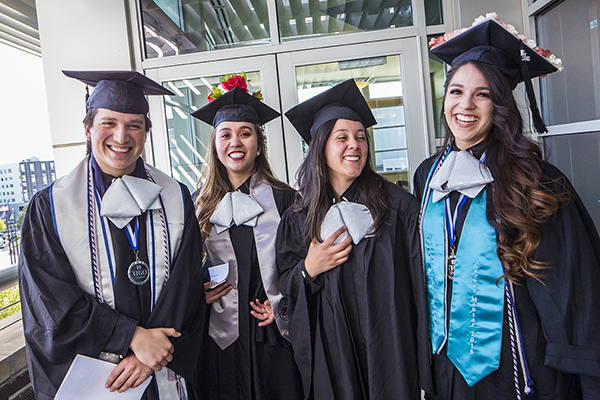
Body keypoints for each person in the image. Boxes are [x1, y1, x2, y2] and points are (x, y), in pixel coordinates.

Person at [414, 14, 600, 399]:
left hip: (517, 363)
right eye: (455, 91)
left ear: (499, 104)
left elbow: (572, 288)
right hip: (445, 364)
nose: (465, 105)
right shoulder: (428, 176)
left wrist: (584, 374)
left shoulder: (535, 180)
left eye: (482, 94)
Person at [19, 70, 206, 400]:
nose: (122, 137)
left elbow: (186, 285)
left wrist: (149, 356)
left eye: (134, 124)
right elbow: (50, 301)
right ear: (88, 129)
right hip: (98, 378)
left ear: (146, 133)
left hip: (161, 369)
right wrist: (131, 337)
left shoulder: (176, 197)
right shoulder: (51, 206)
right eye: (109, 123)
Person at [278, 79, 433, 399]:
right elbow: (286, 289)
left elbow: (422, 288)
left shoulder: (398, 208)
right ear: (320, 146)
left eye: (361, 137)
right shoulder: (299, 217)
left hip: (390, 353)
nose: (355, 145)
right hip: (333, 356)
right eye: (342, 137)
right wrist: (308, 269)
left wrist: (424, 367)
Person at [190, 80, 303, 399]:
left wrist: (285, 307)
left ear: (258, 143)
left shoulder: (286, 201)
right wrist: (198, 295)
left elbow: (302, 268)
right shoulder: (196, 206)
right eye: (226, 134)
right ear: (214, 144)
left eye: (245, 133)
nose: (235, 142)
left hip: (272, 339)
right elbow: (179, 272)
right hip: (218, 343)